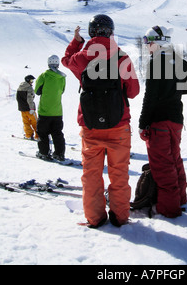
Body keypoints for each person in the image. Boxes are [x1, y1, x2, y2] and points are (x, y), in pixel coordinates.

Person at [62, 15, 140, 228]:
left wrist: (76, 42)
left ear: (91, 32)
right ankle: (120, 217)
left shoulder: (81, 57)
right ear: (110, 32)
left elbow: (65, 61)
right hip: (119, 126)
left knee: (92, 175)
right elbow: (133, 92)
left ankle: (95, 218)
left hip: (90, 126)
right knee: (119, 173)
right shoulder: (121, 57)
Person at [139, 26, 187, 218]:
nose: (146, 46)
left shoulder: (155, 63)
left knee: (163, 165)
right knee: (175, 160)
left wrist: (142, 123)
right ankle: (180, 198)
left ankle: (169, 208)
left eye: (148, 41)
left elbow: (150, 97)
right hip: (176, 120)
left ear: (157, 41)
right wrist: (172, 90)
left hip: (159, 121)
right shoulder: (178, 61)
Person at [35, 55, 66, 161]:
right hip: (57, 111)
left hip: (44, 111)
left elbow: (37, 91)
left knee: (42, 133)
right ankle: (59, 153)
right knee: (57, 133)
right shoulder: (62, 77)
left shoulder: (44, 76)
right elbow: (62, 91)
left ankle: (44, 152)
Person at [16, 75, 39, 140]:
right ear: (28, 80)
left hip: (22, 109)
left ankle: (28, 135)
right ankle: (38, 135)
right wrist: (31, 108)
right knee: (35, 122)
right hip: (29, 109)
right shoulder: (29, 88)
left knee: (26, 122)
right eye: (31, 80)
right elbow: (30, 99)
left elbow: (18, 98)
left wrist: (21, 106)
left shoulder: (19, 88)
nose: (32, 82)